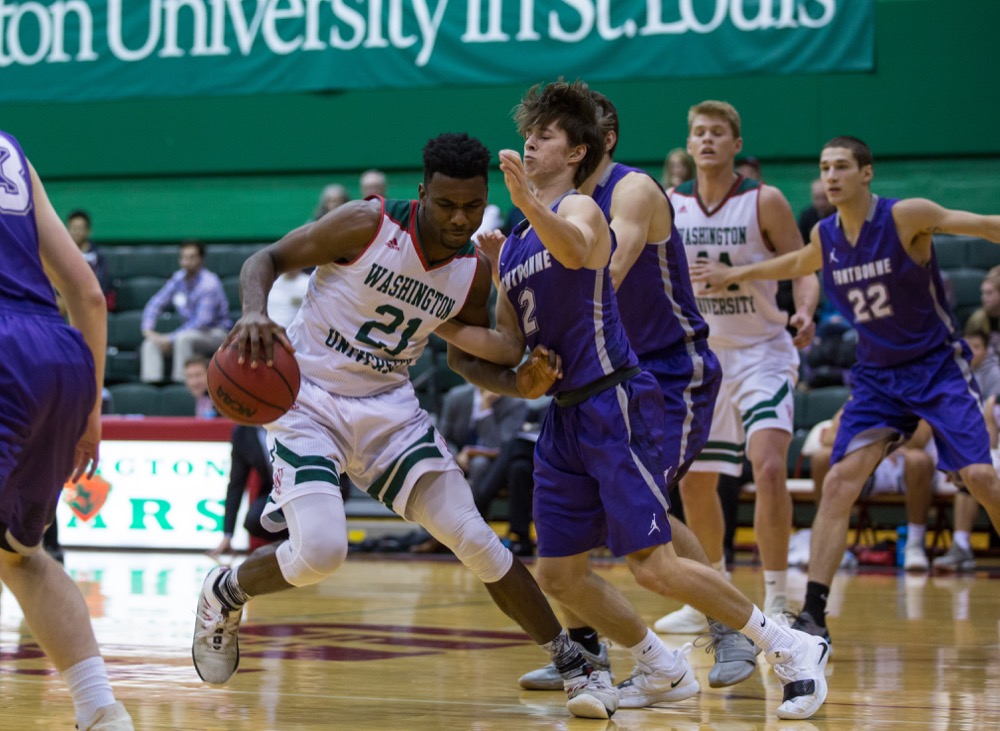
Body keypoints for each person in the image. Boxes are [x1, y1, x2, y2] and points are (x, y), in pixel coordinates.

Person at [190, 132, 618, 720]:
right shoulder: (365, 225)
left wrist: (519, 383)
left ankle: (571, 660)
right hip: (310, 400)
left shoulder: (470, 271)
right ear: (422, 193)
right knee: (320, 552)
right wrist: (254, 312)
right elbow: (263, 261)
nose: (460, 218)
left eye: (472, 205)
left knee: (475, 538)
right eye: (447, 205)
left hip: (390, 410)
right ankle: (225, 591)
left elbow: (467, 357)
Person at [440, 79, 830, 720]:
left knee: (650, 556)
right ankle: (660, 665)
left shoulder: (591, 207)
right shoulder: (510, 239)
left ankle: (785, 645)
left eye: (544, 137)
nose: (528, 145)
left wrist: (527, 206)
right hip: (564, 414)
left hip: (625, 392)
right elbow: (506, 342)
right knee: (560, 573)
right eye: (526, 137)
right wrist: (429, 316)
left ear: (579, 152)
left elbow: (587, 258)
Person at [691, 135, 1000, 645]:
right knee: (838, 482)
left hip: (936, 369)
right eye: (824, 167)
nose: (830, 176)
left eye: (841, 167)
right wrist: (736, 274)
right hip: (878, 379)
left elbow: (984, 226)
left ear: (867, 173)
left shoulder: (905, 217)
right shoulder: (827, 235)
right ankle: (813, 614)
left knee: (982, 477)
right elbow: (792, 265)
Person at [513, 89, 756, 692]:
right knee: (574, 526)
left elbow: (605, 272)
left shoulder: (631, 190)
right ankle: (590, 651)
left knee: (647, 508)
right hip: (604, 375)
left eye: (557, 132)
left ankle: (733, 629)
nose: (542, 141)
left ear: (597, 140)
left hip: (670, 371)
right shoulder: (558, 204)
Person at [656, 100, 819, 634]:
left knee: (768, 465)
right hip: (703, 359)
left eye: (717, 132)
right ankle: (715, 597)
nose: (707, 140)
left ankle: (776, 598)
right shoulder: (669, 203)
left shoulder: (763, 201)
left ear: (735, 144)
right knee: (695, 484)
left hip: (762, 352)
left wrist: (805, 310)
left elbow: (805, 265)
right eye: (698, 132)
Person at [0, 130, 133, 730]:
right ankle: (101, 711)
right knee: (19, 555)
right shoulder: (11, 153)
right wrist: (91, 413)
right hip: (61, 356)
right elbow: (87, 294)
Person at [810, 410, 938, 571]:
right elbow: (829, 438)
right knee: (822, 457)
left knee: (919, 460)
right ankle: (827, 543)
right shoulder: (865, 392)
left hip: (902, 464)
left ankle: (914, 544)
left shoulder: (917, 394)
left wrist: (865, 436)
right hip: (868, 461)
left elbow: (916, 441)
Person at [140, 240, 232, 383]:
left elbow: (202, 322)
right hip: (189, 332)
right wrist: (148, 330)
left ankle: (180, 387)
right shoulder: (178, 278)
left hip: (215, 333)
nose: (186, 262)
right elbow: (154, 304)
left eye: (192, 257)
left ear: (201, 259)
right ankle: (151, 387)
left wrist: (169, 338)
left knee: (183, 340)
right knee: (150, 344)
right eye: (183, 257)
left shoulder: (209, 284)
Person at [209, 424, 288, 557]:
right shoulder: (242, 433)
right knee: (254, 520)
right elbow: (236, 484)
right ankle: (285, 548)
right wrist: (228, 535)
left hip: (302, 485)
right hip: (274, 491)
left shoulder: (288, 420)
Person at [66, 209, 115, 311]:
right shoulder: (61, 254)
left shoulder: (98, 256)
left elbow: (102, 285)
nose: (76, 232)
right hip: (67, 300)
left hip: (91, 300)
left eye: (79, 228)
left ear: (88, 231)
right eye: (73, 228)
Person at [798, 178, 836, 244]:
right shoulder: (806, 216)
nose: (821, 203)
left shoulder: (842, 214)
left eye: (825, 198)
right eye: (817, 198)